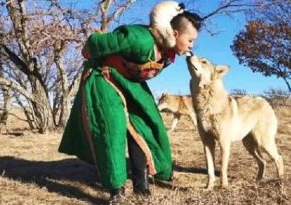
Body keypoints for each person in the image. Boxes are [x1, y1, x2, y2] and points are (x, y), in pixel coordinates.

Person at [58, 1, 202, 203]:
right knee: (113, 127)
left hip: (130, 82)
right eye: (190, 40)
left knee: (146, 124)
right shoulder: (138, 39)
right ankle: (116, 189)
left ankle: (141, 187)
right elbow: (96, 43)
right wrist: (92, 48)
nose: (191, 45)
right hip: (104, 76)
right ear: (176, 34)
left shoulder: (168, 55)